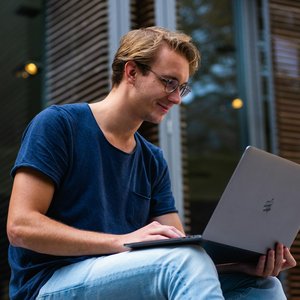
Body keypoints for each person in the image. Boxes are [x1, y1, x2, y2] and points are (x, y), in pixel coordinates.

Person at [7, 26, 295, 300]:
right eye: (169, 82)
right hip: (48, 284)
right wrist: (120, 241)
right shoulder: (59, 125)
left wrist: (238, 266)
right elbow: (21, 228)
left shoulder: (152, 159)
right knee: (184, 259)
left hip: (122, 279)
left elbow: (179, 251)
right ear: (131, 71)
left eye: (182, 88)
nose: (176, 98)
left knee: (261, 285)